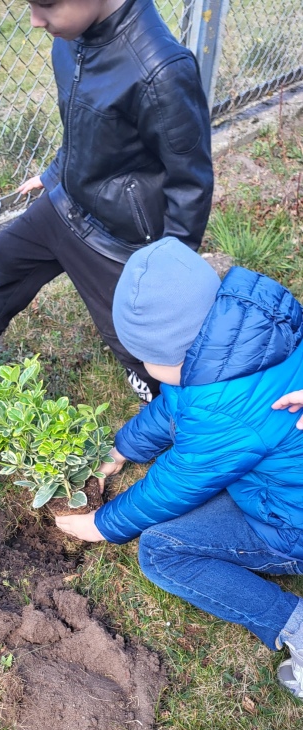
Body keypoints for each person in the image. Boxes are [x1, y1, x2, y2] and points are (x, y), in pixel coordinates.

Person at [0, 0, 213, 403]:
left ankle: (174, 408)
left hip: (121, 236)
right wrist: (55, 173)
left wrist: (171, 271)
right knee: (7, 255)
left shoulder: (160, 70)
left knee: (132, 334)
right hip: (69, 202)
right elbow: (84, 128)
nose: (35, 20)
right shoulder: (72, 38)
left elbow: (191, 183)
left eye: (46, 5)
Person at [55, 237, 303, 699]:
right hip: (285, 480)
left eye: (149, 359)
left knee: (162, 550)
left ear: (179, 352)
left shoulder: (219, 411)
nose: (147, 370)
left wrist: (103, 525)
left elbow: (175, 485)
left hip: (291, 524)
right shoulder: (243, 338)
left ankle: (294, 627)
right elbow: (176, 407)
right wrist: (124, 447)